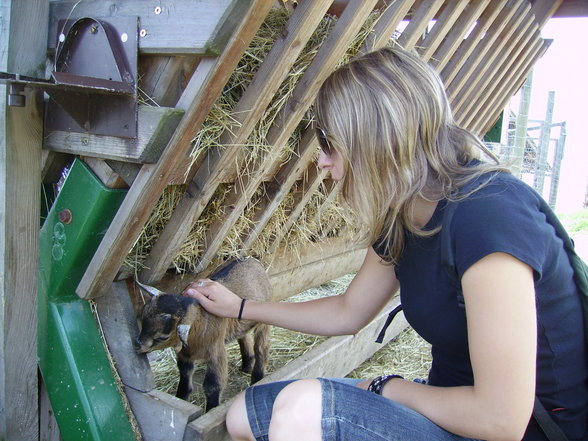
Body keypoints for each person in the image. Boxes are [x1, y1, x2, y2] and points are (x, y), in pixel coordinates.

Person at [183, 46, 588, 441]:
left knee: (303, 413)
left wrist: (386, 387)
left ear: (376, 138)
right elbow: (347, 311)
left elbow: (501, 421)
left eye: (329, 142)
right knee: (244, 416)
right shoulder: (405, 213)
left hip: (522, 429)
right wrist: (240, 307)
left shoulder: (489, 217)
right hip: (445, 406)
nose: (321, 161)